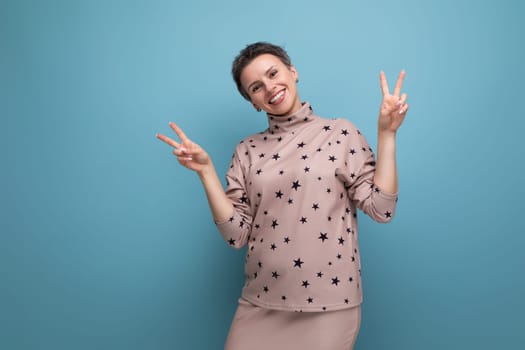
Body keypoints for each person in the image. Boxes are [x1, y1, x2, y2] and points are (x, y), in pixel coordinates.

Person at [156, 42, 409, 350]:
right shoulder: (246, 150)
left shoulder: (341, 133)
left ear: (293, 71)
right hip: (260, 302)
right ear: (253, 102)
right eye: (256, 87)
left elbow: (382, 209)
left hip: (329, 305)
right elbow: (236, 235)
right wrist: (206, 172)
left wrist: (387, 134)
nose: (270, 87)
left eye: (274, 73)